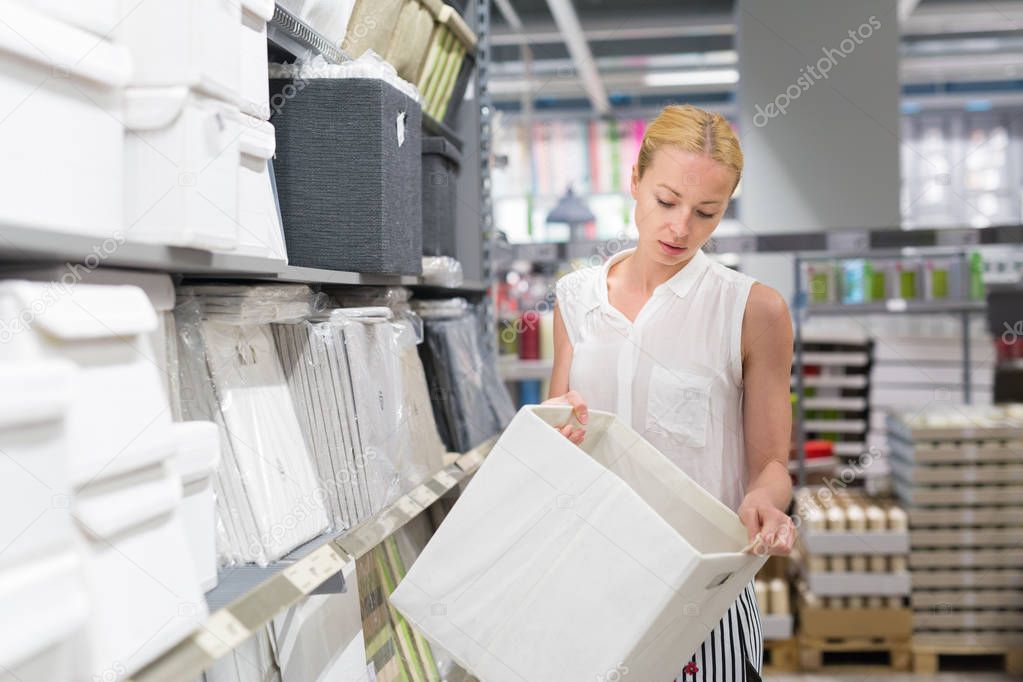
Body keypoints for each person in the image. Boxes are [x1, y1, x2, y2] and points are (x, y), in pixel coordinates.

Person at [547, 104, 794, 681]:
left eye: (707, 212)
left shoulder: (753, 310)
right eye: (666, 201)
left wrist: (766, 501)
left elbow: (773, 464)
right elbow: (556, 442)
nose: (682, 228)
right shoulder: (575, 301)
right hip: (590, 590)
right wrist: (552, 428)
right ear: (634, 182)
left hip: (704, 598)